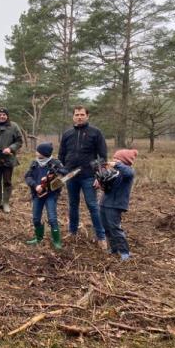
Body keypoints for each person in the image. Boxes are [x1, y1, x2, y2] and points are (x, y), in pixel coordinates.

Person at [58, 106, 107, 248]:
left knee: (92, 205)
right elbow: (61, 154)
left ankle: (101, 237)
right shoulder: (67, 134)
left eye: (82, 114)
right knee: (73, 205)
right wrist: (63, 169)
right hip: (71, 176)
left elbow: (102, 156)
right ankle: (73, 232)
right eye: (77, 114)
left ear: (87, 116)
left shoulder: (95, 133)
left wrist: (99, 176)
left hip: (89, 176)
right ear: (73, 117)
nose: (79, 117)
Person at [24, 142, 68, 249]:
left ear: (44, 153)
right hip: (37, 194)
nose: (36, 152)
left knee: (52, 218)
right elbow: (28, 177)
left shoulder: (55, 162)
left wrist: (55, 171)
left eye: (38, 151)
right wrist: (35, 186)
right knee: (36, 218)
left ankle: (57, 241)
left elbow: (65, 172)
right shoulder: (35, 163)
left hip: (51, 195)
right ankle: (38, 238)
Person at [100, 149, 138, 261]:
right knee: (106, 227)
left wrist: (117, 164)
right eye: (114, 158)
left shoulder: (127, 173)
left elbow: (129, 172)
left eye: (116, 159)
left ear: (123, 161)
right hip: (105, 202)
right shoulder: (115, 173)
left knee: (115, 228)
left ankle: (125, 252)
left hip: (116, 205)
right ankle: (114, 248)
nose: (113, 160)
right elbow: (107, 185)